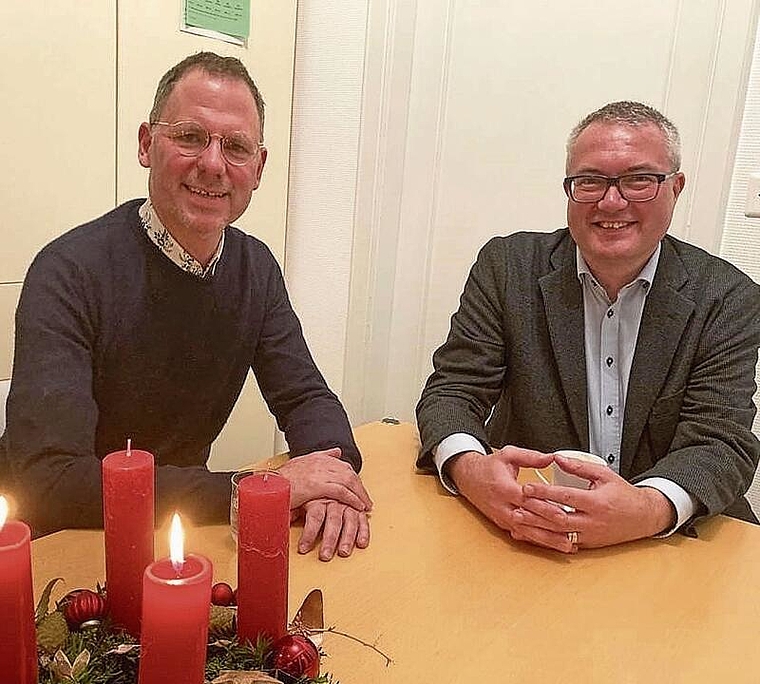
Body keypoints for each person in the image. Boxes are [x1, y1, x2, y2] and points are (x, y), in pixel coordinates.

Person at [1, 52, 371, 561]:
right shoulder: (68, 271)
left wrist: (334, 478)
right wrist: (255, 489)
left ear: (258, 168)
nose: (213, 164)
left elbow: (305, 397)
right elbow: (50, 480)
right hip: (55, 544)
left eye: (236, 147)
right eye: (190, 136)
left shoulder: (255, 269)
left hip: (171, 533)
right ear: (146, 144)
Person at [416, 101, 760, 554]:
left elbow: (721, 440)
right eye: (590, 181)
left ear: (675, 188)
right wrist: (469, 467)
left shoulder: (727, 296)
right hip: (533, 525)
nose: (610, 201)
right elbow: (453, 391)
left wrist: (647, 509)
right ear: (569, 190)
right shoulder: (507, 268)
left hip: (667, 542)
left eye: (639, 179)